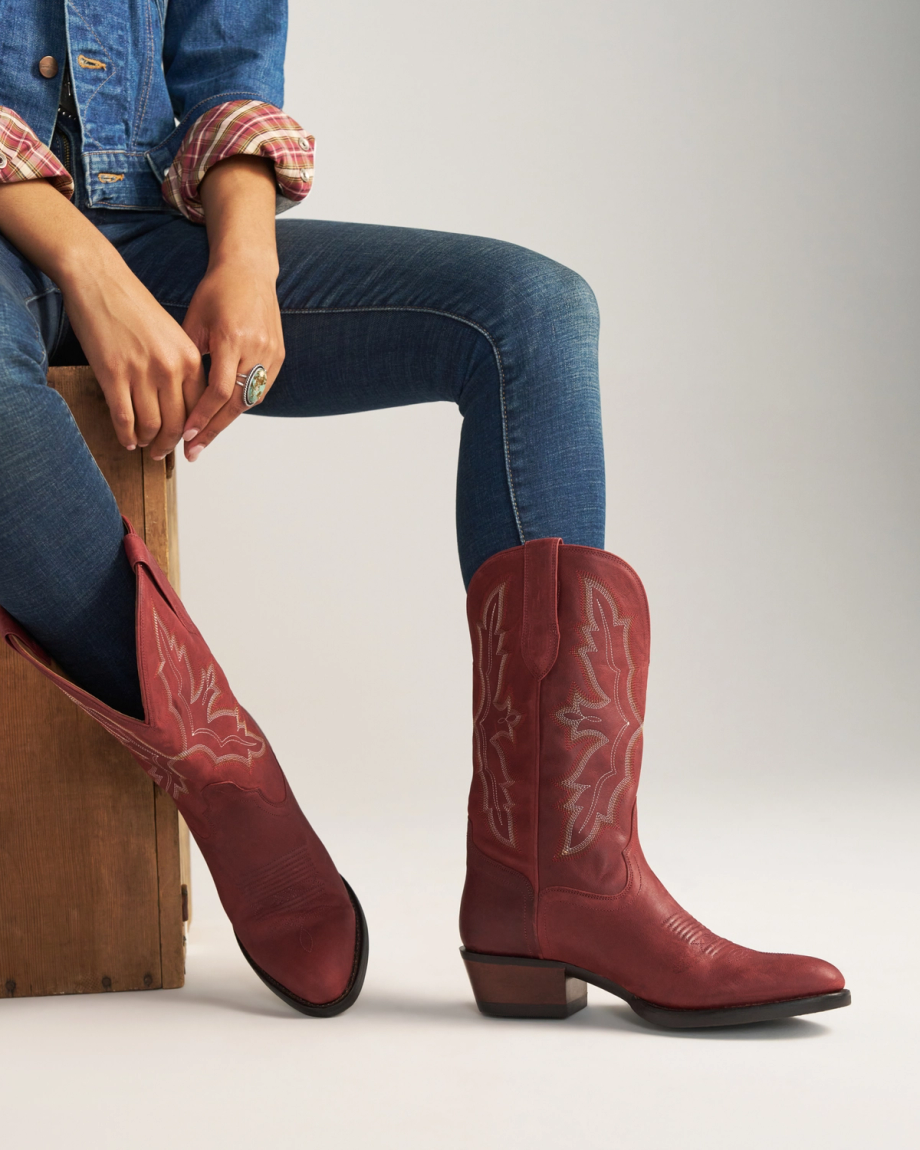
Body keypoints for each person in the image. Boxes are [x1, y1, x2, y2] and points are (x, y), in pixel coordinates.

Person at [0, 2, 848, 1025]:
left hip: (149, 222)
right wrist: (86, 266)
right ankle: (236, 797)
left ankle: (556, 884)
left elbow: (224, 60)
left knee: (527, 312)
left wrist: (246, 258)